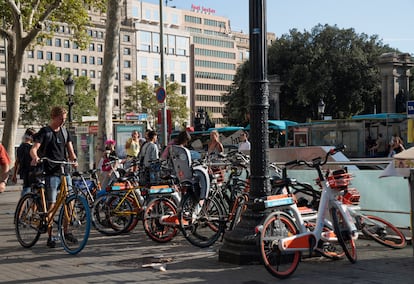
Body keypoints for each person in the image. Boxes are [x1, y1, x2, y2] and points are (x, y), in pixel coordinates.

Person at [30, 106, 77, 248]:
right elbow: (34, 149)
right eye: (61, 119)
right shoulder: (45, 132)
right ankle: (50, 236)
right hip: (50, 172)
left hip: (64, 170)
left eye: (64, 118)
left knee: (70, 201)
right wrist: (36, 157)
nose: (63, 121)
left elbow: (70, 151)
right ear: (54, 117)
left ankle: (66, 231)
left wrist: (74, 160)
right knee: (51, 203)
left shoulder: (64, 131)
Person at [12, 128, 37, 196]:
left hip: (24, 172)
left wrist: (14, 175)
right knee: (34, 191)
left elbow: (17, 162)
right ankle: (31, 205)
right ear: (31, 136)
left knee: (26, 188)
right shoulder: (32, 148)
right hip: (32, 171)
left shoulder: (20, 147)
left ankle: (23, 203)